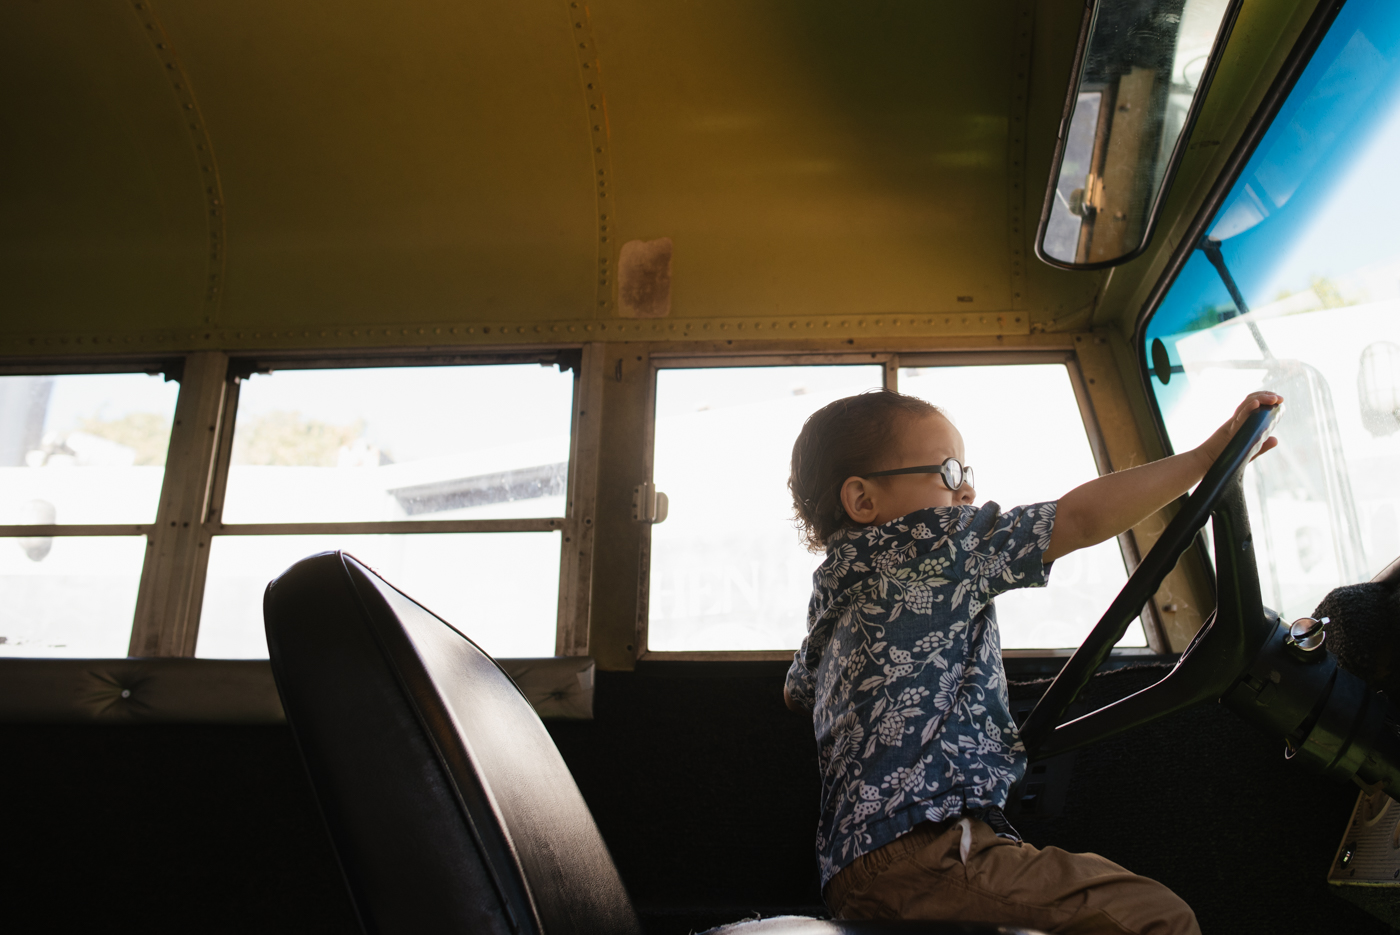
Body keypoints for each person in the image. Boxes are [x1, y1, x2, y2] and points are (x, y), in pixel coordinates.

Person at [783, 387, 1281, 935]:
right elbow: (1080, 519)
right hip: (926, 849)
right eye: (948, 472)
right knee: (1154, 917)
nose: (967, 487)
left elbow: (797, 689)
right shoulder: (930, 542)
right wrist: (1205, 459)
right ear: (863, 500)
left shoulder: (834, 591)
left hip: (856, 865)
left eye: (967, 469)